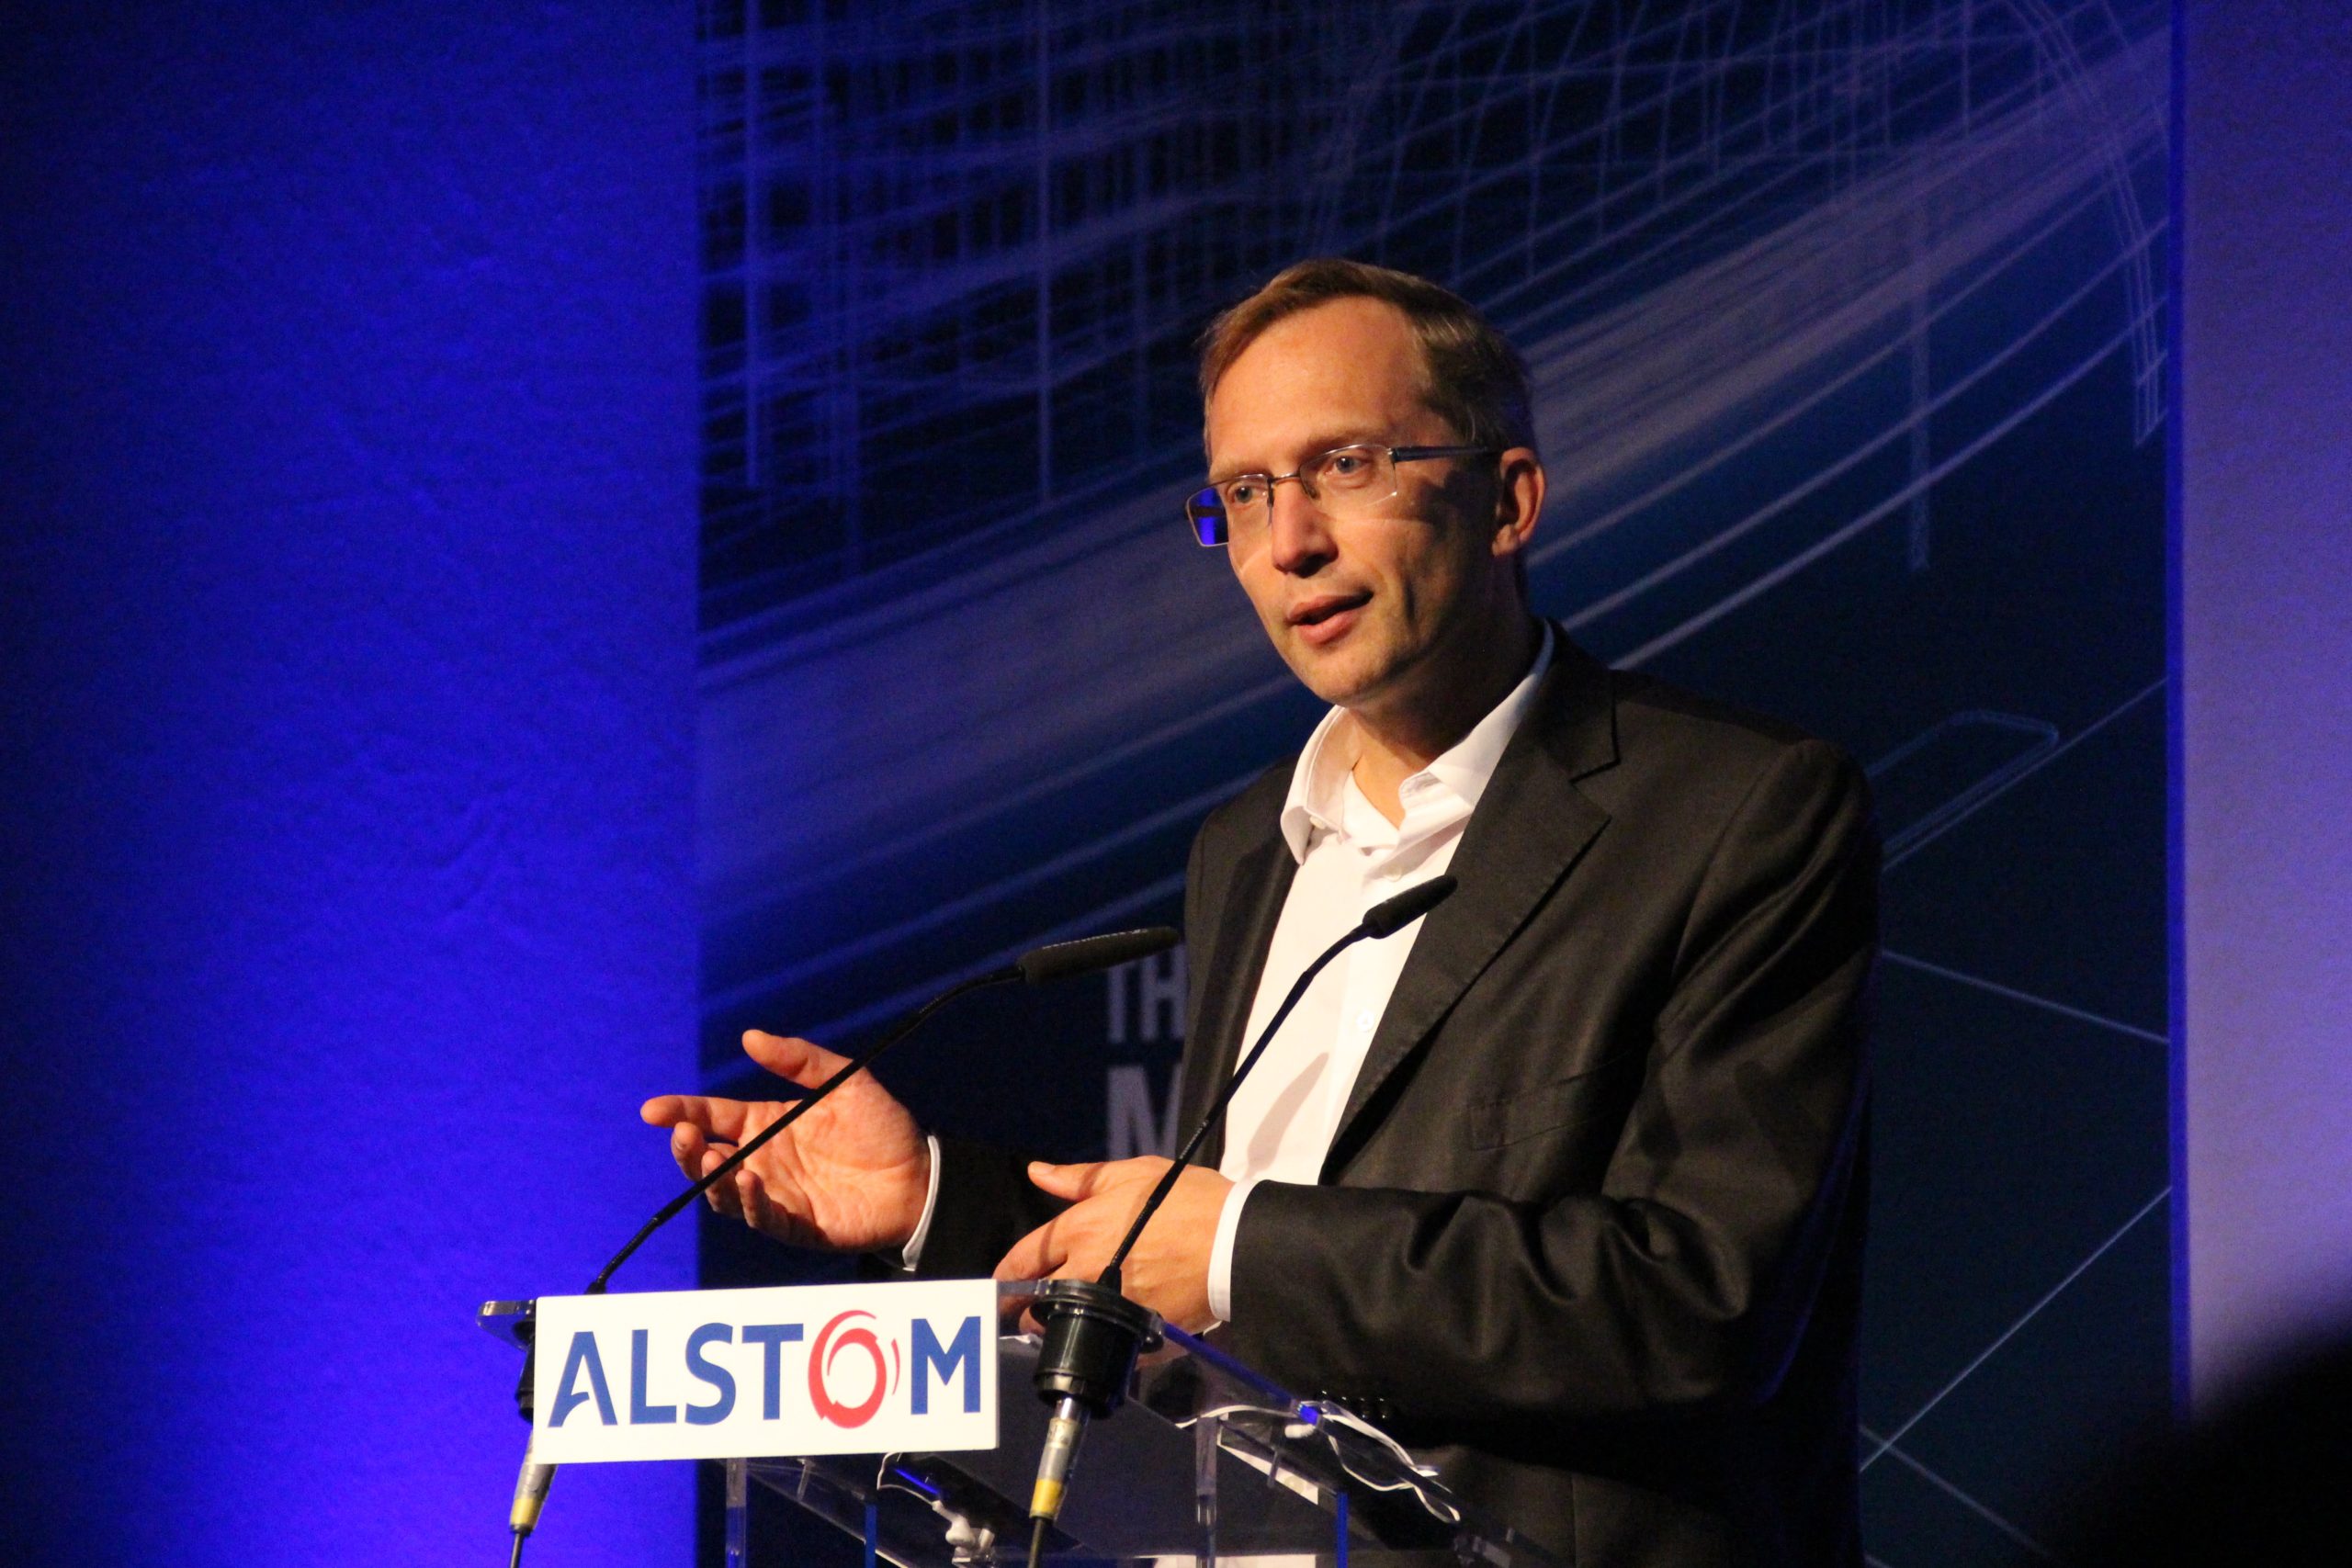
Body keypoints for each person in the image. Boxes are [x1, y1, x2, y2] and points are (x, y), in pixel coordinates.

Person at [643, 259, 1877, 1568]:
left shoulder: (1735, 813)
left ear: (1507, 499)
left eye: (1344, 465)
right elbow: (1185, 1279)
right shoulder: (1246, 849)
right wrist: (931, 1203)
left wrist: (1237, 1248)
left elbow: (1699, 1303)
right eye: (1245, 493)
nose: (1290, 541)